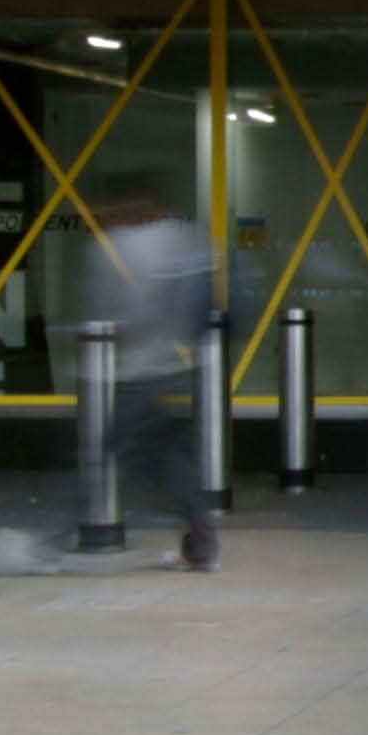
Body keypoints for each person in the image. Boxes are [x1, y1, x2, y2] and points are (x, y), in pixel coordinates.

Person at [93, 170, 218, 573]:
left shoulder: (119, 247)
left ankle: (82, 525)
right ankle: (199, 538)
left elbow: (125, 315)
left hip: (140, 372)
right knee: (171, 453)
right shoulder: (183, 237)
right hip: (183, 365)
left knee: (117, 447)